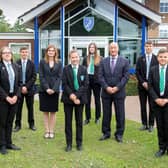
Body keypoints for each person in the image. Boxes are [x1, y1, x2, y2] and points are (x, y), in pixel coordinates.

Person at [98, 42, 129, 143]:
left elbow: (126, 77)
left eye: (115, 48)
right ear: (109, 49)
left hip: (119, 92)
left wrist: (117, 87)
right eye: (111, 48)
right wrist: (106, 87)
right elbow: (100, 76)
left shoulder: (124, 61)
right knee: (106, 114)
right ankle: (106, 133)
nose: (113, 50)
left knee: (120, 114)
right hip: (106, 92)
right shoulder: (103, 61)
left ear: (118, 49)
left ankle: (119, 134)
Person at [61, 49, 88, 152]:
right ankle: (69, 144)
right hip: (68, 99)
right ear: (70, 58)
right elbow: (64, 84)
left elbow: (85, 85)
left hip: (80, 100)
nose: (75, 59)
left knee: (79, 122)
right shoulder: (65, 69)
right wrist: (72, 95)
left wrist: (76, 96)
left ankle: (79, 143)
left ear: (79, 58)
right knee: (68, 122)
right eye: (73, 57)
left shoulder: (83, 69)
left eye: (76, 57)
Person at [0, 46, 21, 155]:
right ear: (1, 55)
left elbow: (19, 84)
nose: (7, 54)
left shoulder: (16, 66)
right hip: (3, 99)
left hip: (14, 98)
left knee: (10, 122)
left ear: (11, 54)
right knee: (2, 123)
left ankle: (9, 143)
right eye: (5, 53)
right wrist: (6, 97)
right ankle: (2, 145)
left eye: (9, 52)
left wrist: (16, 96)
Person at [39, 44, 62, 139]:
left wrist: (54, 89)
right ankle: (47, 130)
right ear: (47, 52)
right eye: (49, 50)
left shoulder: (59, 63)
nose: (51, 52)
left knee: (53, 112)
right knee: (45, 111)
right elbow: (41, 76)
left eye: (53, 50)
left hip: (54, 91)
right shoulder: (42, 62)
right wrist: (47, 88)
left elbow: (60, 77)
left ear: (55, 52)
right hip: (44, 90)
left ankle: (51, 131)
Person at [148, 48, 168, 157]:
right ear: (157, 58)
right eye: (161, 57)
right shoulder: (152, 70)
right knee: (160, 126)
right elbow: (150, 87)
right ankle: (161, 148)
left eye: (165, 57)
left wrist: (166, 100)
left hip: (167, 102)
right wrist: (156, 99)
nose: (163, 59)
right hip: (157, 103)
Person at [136, 40, 158, 132]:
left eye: (150, 46)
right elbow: (137, 72)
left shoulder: (156, 59)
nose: (148, 47)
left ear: (152, 47)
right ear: (144, 47)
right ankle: (144, 124)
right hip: (142, 87)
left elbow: (157, 73)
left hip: (152, 87)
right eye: (147, 46)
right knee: (143, 106)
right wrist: (143, 82)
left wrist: (150, 84)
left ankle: (151, 125)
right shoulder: (140, 59)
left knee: (152, 106)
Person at [13, 47, 36, 132]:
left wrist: (26, 86)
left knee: (30, 108)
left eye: (26, 52)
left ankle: (31, 124)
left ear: (28, 53)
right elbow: (15, 76)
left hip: (29, 90)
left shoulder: (32, 63)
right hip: (19, 89)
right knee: (18, 108)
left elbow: (34, 77)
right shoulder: (16, 63)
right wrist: (21, 87)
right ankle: (17, 125)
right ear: (20, 53)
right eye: (22, 52)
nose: (24, 54)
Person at [83, 43, 102, 125]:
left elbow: (102, 71)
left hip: (96, 82)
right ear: (88, 49)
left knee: (97, 100)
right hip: (87, 81)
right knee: (87, 100)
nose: (91, 48)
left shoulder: (100, 58)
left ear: (95, 48)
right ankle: (87, 118)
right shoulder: (85, 58)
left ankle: (97, 118)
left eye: (93, 47)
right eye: (90, 47)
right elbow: (83, 70)